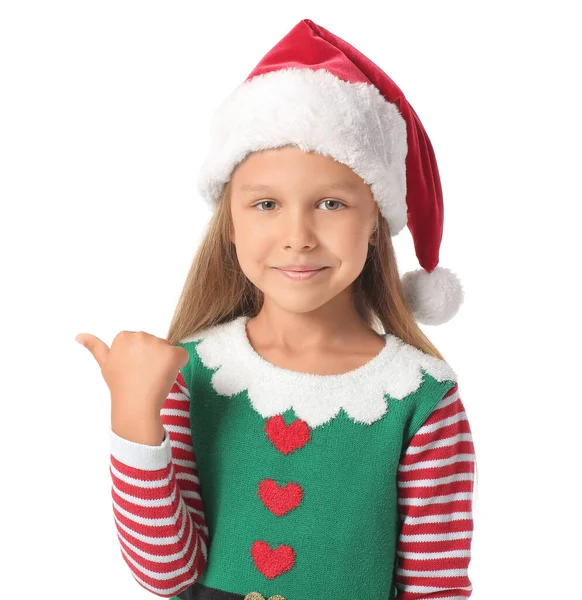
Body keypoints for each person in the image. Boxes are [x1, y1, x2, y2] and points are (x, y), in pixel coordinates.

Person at [76, 18, 476, 600]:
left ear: (374, 225)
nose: (298, 235)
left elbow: (436, 586)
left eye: (331, 203)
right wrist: (134, 413)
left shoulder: (421, 395)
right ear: (230, 227)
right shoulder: (191, 371)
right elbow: (166, 574)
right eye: (265, 203)